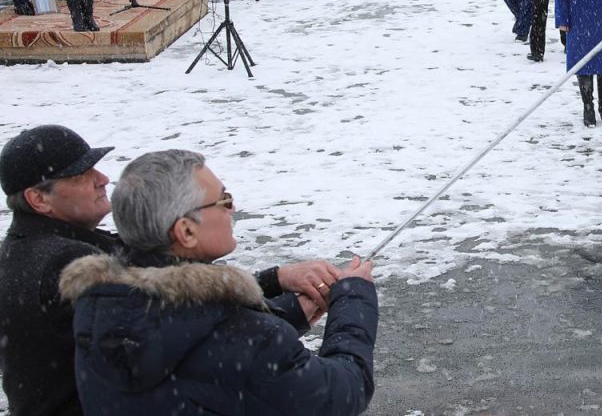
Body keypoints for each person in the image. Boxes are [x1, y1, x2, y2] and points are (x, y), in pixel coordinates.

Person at [59, 149, 378, 415]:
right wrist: (353, 301)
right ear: (186, 231)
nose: (232, 208)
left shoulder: (102, 304)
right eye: (223, 200)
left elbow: (202, 356)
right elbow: (342, 394)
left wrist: (291, 309)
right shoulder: (249, 338)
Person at [0, 125, 121, 416]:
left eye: (96, 169)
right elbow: (145, 350)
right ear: (39, 199)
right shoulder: (69, 261)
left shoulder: (20, 250)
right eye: (81, 175)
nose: (102, 179)